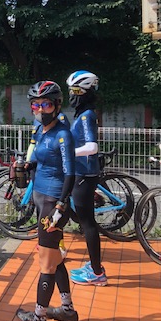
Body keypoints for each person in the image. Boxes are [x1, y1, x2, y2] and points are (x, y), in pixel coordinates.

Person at [16, 81, 79, 321]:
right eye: (35, 105)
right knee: (56, 259)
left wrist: (61, 206)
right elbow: (41, 162)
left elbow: (70, 173)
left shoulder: (63, 135)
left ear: (57, 105)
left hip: (53, 203)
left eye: (46, 104)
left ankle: (39, 318)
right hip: (42, 198)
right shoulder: (40, 131)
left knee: (46, 264)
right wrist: (27, 167)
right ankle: (67, 310)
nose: (40, 109)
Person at [65, 70, 107, 286]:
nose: (71, 95)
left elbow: (92, 147)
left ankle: (97, 273)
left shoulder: (86, 115)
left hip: (84, 175)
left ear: (85, 92)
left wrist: (69, 152)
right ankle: (94, 265)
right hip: (82, 174)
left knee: (88, 223)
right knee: (81, 218)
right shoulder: (83, 114)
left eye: (75, 90)